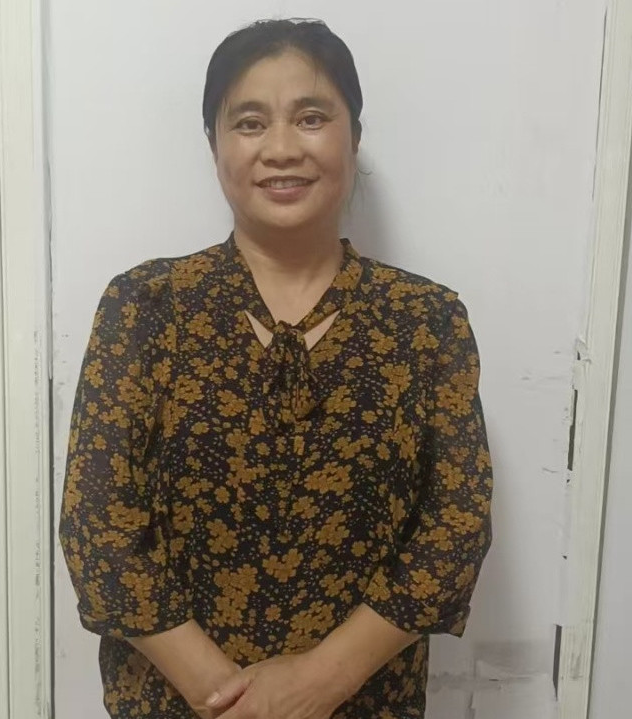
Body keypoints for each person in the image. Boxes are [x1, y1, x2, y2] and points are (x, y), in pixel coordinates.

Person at [59, 17, 493, 719]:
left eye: (312, 117)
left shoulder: (424, 319)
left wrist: (317, 683)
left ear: (353, 137)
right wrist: (225, 697)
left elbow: (454, 525)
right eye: (250, 123)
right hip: (175, 703)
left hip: (364, 702)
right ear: (214, 145)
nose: (282, 148)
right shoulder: (147, 306)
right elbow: (98, 528)